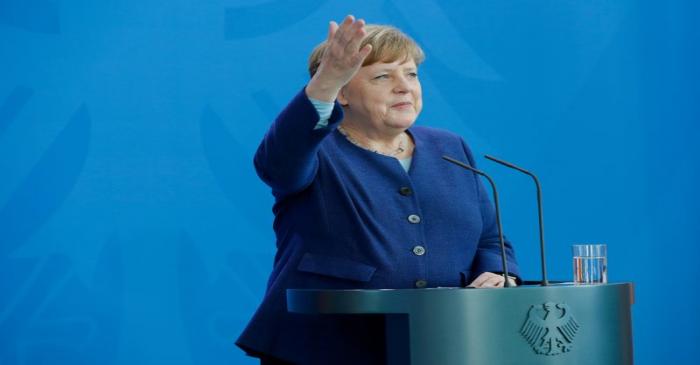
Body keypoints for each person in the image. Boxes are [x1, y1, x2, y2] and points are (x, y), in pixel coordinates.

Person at [236, 15, 520, 365]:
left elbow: (491, 241)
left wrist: (500, 273)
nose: (405, 87)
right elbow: (276, 162)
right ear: (342, 92)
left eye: (412, 74)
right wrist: (324, 82)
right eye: (383, 76)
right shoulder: (312, 150)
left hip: (444, 342)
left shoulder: (451, 147)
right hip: (326, 347)